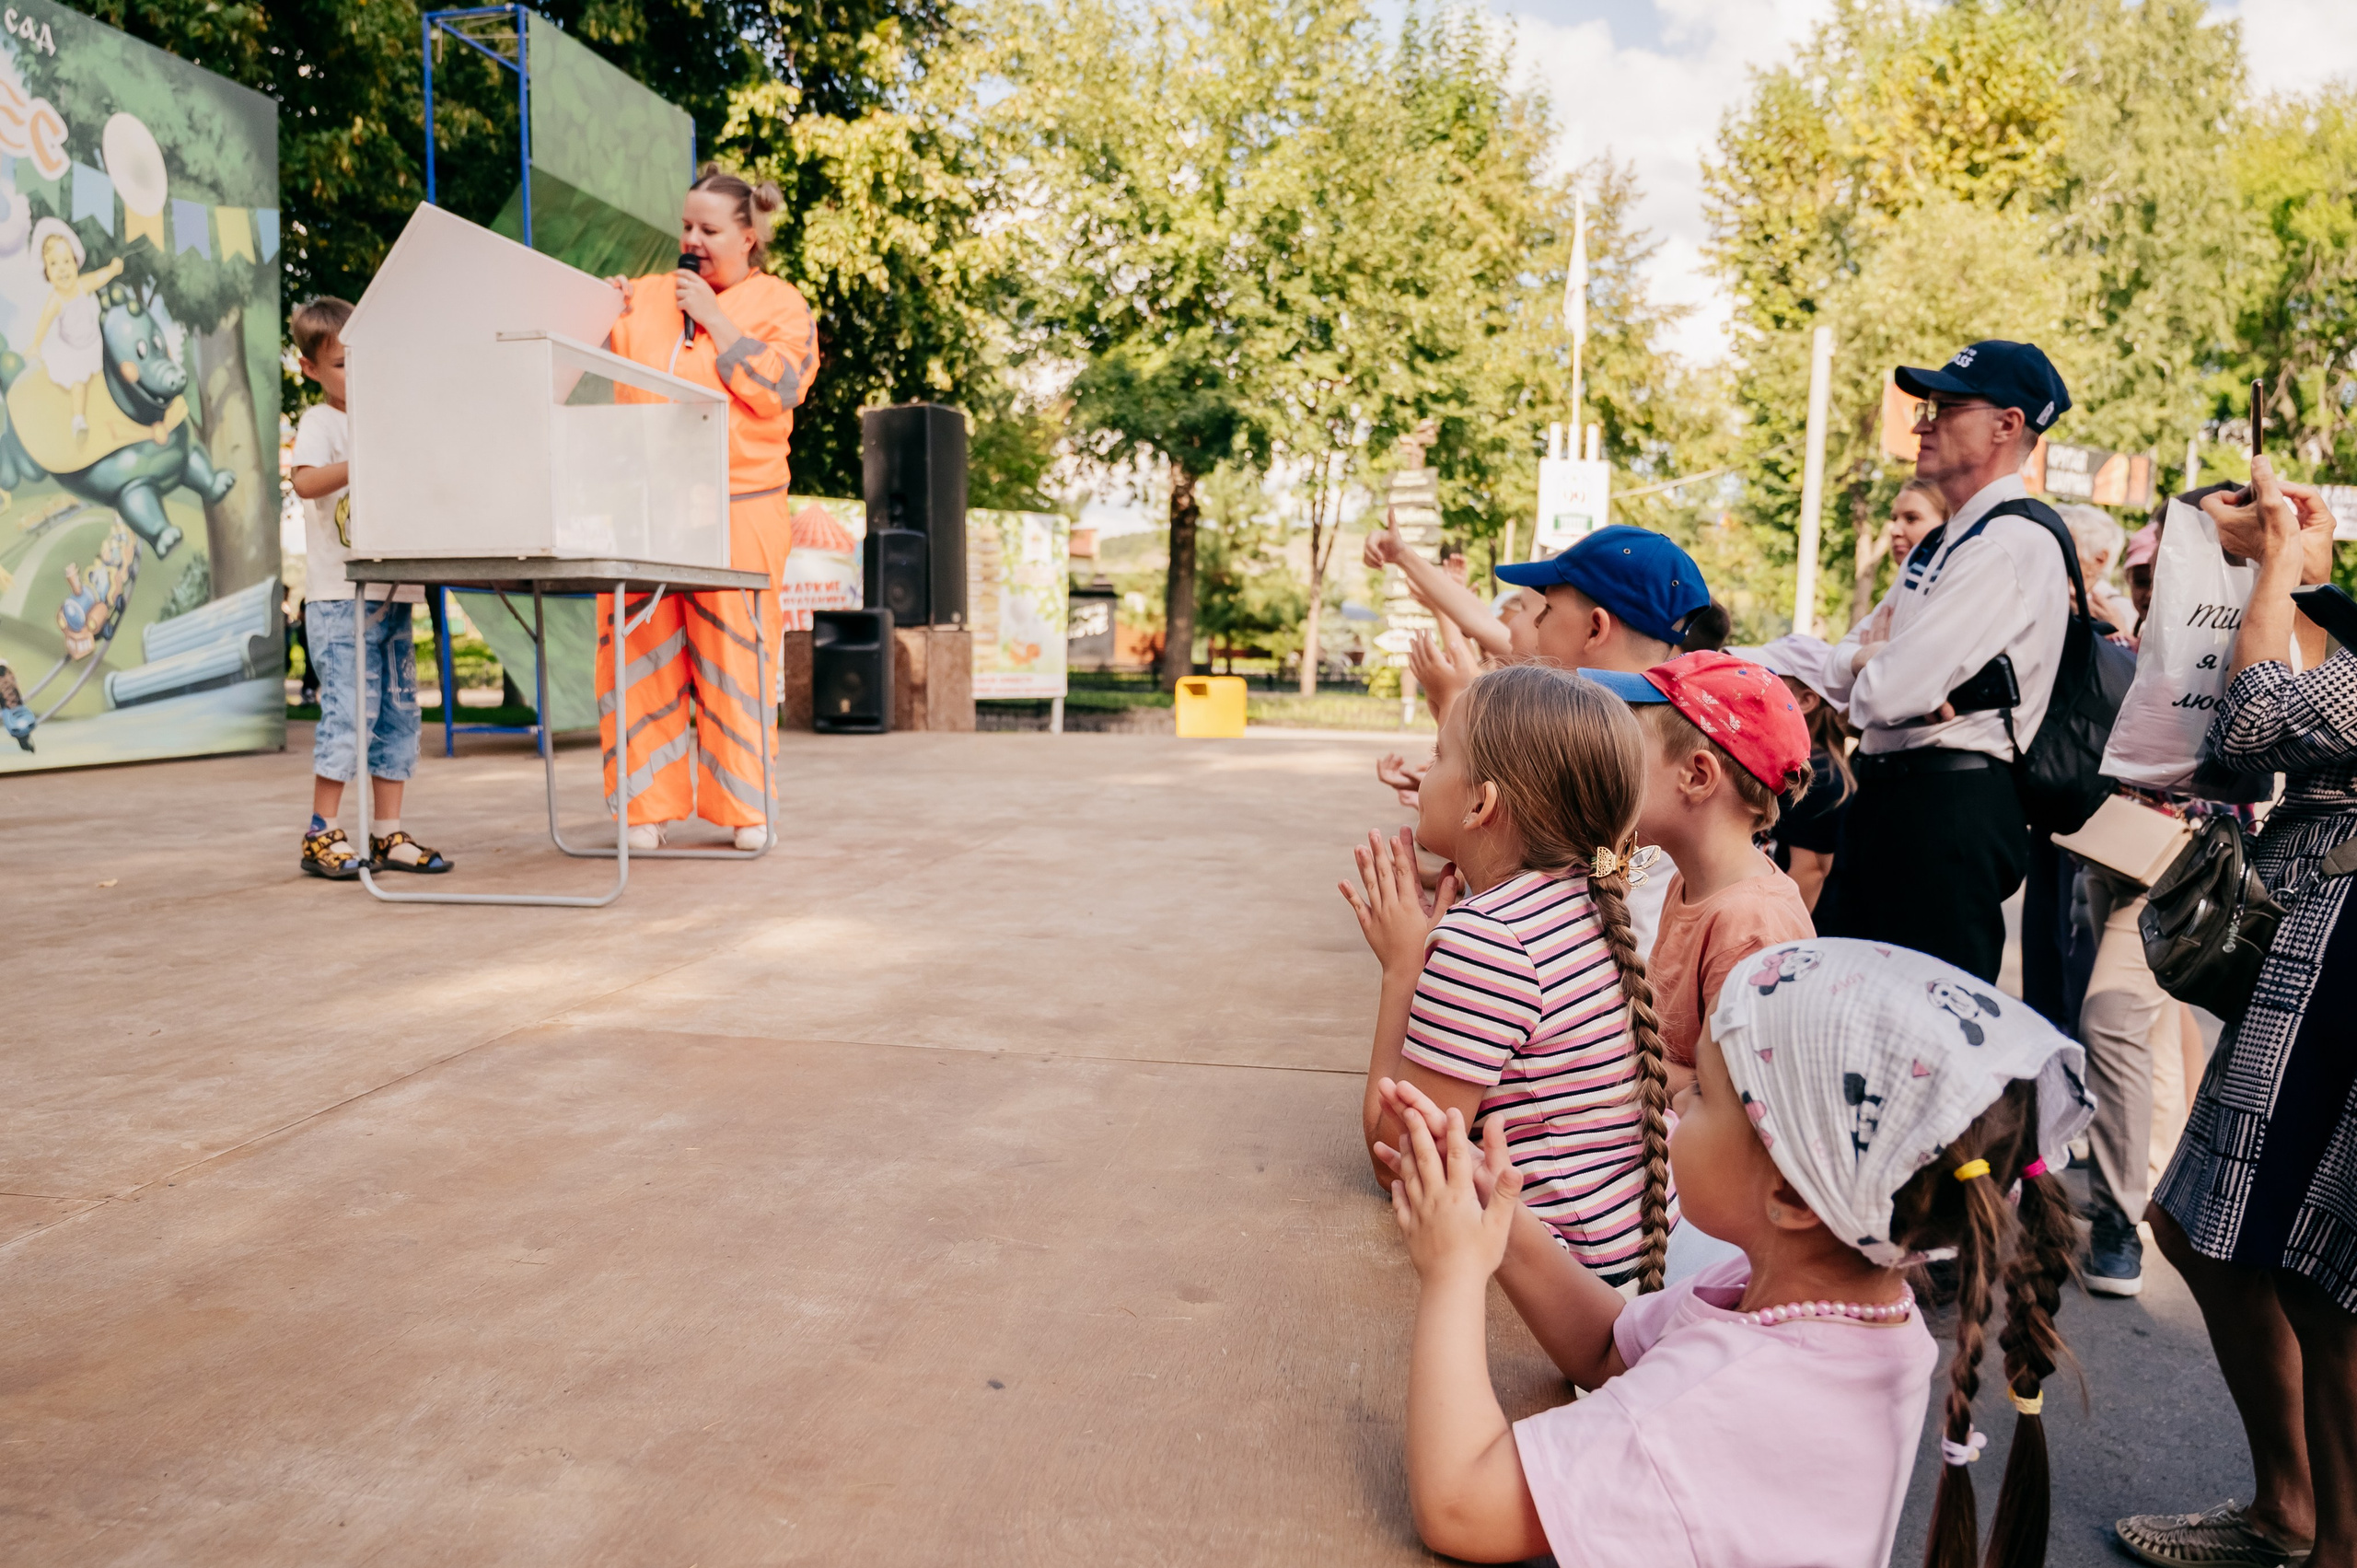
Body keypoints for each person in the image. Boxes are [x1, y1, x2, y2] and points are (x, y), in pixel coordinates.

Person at [1373, 936, 2094, 1568]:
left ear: (1794, 1197)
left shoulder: (1728, 1393)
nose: (1678, 1102)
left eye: (1708, 1094)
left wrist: (1454, 1273)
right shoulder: (1847, 1307)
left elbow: (1460, 1505)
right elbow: (1606, 1348)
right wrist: (1504, 1221)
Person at [2119, 459, 2357, 1568]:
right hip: (2313, 945)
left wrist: (2270, 565)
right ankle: (2289, 1513)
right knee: (2223, 1232)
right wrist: (2289, 567)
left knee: (2320, 1268)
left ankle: (2312, 1532)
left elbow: (2258, 723)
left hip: (2342, 949)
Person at [1340, 664, 1673, 1289]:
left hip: (1559, 1284)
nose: (1425, 772)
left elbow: (1400, 1157)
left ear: (1481, 803)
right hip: (1622, 1260)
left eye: (1439, 756)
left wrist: (1402, 969)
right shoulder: (1590, 898)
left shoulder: (1489, 939)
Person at [1817, 341, 2074, 982]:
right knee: (1843, 1010)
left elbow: (1882, 693)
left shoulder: (2010, 543)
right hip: (1895, 797)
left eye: (1945, 406)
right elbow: (1841, 668)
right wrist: (1872, 659)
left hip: (1947, 806)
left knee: (1923, 1037)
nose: (1921, 423)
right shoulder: (1945, 541)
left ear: (2007, 424)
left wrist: (1874, 666)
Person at [598, 166, 819, 852]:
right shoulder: (649, 296)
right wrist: (597, 311)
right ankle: (643, 809)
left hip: (741, 507)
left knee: (737, 655)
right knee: (638, 654)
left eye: (710, 230)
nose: (691, 240)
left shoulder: (782, 304)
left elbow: (780, 389)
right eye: (685, 226)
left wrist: (718, 322)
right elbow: (603, 363)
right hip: (646, 508)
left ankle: (745, 808)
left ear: (748, 238)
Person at [287, 296, 452, 881]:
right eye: (338, 366)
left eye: (362, 361)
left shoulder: (391, 422)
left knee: (400, 715)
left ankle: (386, 835)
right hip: (340, 599)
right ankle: (321, 832)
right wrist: (364, 459)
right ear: (310, 368)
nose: (354, 376)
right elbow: (305, 482)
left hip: (396, 594)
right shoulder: (321, 423)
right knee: (348, 714)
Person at [1744, 633, 1856, 912]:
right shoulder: (1786, 760)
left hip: (1774, 925)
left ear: (1806, 700)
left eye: (1769, 677)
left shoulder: (1821, 777)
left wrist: (1776, 942)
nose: (1754, 684)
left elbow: (1810, 873)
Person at [28, 218, 122, 442]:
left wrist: (112, 269)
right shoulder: (56, 300)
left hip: (94, 342)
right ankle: (78, 420)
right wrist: (36, 345)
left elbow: (100, 278)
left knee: (103, 379)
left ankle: (108, 415)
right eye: (54, 264)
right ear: (46, 272)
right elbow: (44, 323)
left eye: (67, 261)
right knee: (79, 384)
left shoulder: (82, 285)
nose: (62, 269)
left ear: (76, 262)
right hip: (73, 349)